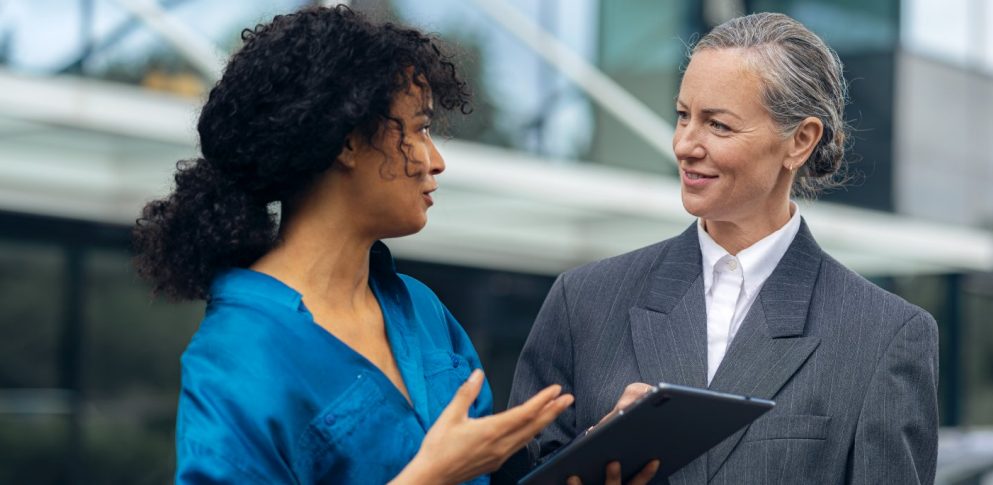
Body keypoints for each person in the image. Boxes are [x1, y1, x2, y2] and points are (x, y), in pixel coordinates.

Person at [132, 7, 601, 484]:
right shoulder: (238, 352)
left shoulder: (420, 309)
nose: (435, 160)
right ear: (347, 141)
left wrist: (594, 459)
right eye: (418, 129)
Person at [503, 12, 939, 485]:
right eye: (683, 116)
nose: (685, 144)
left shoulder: (885, 336)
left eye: (718, 126)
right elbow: (517, 474)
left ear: (801, 141)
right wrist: (597, 447)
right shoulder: (583, 302)